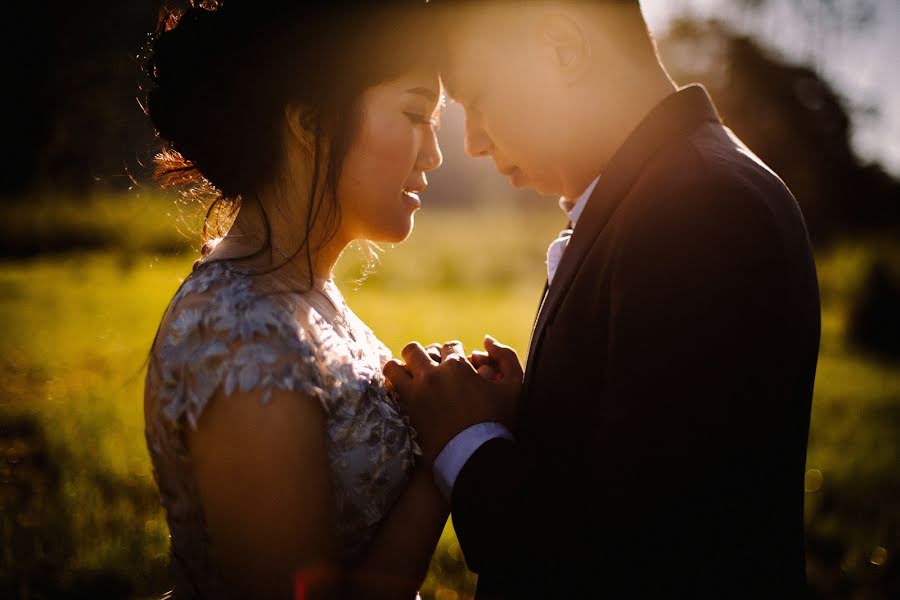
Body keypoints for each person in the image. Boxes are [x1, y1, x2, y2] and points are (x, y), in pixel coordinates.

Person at [384, 1, 822, 598]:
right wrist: (526, 421)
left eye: (478, 99)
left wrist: (467, 440)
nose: (475, 142)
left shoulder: (703, 208)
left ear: (563, 48)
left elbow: (636, 559)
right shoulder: (662, 191)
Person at [142, 1, 447, 597]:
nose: (434, 154)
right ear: (309, 122)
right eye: (416, 113)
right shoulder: (237, 334)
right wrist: (443, 456)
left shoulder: (304, 293)